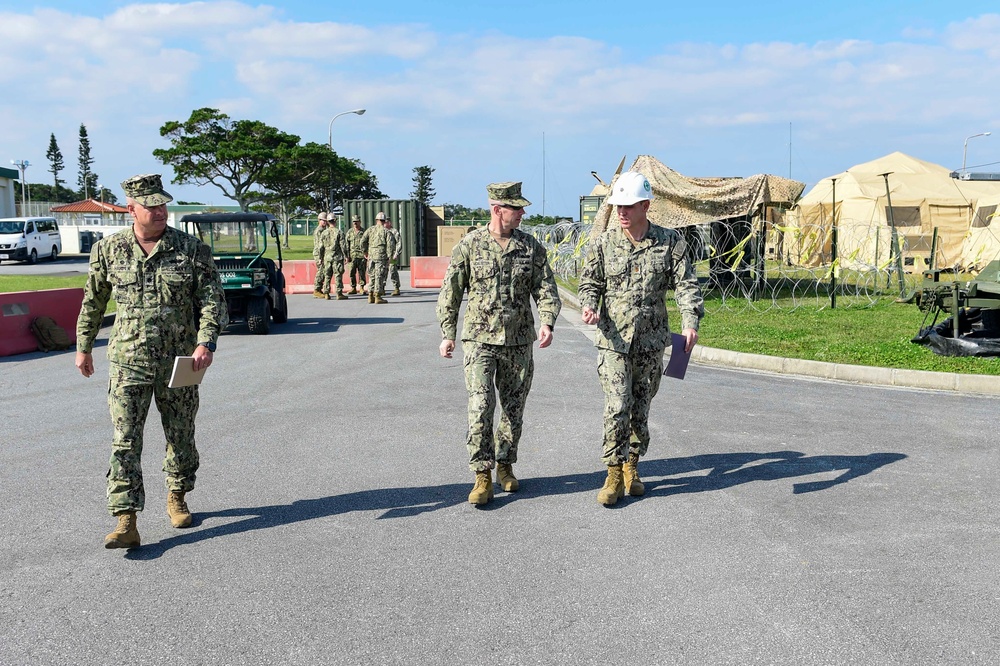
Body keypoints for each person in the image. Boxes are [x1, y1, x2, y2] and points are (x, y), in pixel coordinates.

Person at [75, 173, 228, 548]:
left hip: (181, 361)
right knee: (125, 440)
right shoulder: (108, 250)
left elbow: (213, 301)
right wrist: (83, 345)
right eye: (151, 205)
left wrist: (205, 342)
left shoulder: (191, 249)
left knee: (180, 434)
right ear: (131, 209)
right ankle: (126, 519)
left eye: (163, 204)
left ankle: (177, 495)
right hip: (129, 360)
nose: (160, 211)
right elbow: (93, 301)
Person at [578, 171, 704, 507]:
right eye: (618, 205)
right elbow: (590, 283)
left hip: (650, 343)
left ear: (646, 206)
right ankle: (613, 473)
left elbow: (686, 285)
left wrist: (689, 322)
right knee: (616, 406)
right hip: (613, 341)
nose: (621, 212)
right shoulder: (603, 244)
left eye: (629, 206)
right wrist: (590, 305)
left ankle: (633, 465)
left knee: (640, 410)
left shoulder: (669, 242)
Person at [436, 181, 561, 506]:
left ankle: (505, 465)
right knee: (480, 406)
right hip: (478, 340)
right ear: (497, 209)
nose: (522, 213)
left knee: (513, 409)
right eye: (516, 208)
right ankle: (481, 475)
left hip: (519, 340)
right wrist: (447, 332)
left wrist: (547, 321)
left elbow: (545, 288)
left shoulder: (530, 247)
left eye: (522, 208)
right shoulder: (470, 245)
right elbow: (451, 292)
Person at [362, 212, 397, 304]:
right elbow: (390, 246)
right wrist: (390, 257)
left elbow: (363, 241)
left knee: (372, 276)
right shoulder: (387, 232)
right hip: (381, 257)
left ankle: (370, 295)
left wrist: (365, 252)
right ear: (384, 221)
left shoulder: (370, 230)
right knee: (379, 276)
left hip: (371, 256)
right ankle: (377, 296)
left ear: (376, 220)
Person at [320, 213, 348, 300]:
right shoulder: (339, 232)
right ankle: (339, 293)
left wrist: (320, 258)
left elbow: (320, 247)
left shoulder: (324, 233)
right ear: (335, 221)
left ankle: (326, 293)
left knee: (327, 275)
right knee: (338, 275)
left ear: (328, 222)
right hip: (337, 257)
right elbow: (343, 245)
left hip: (327, 257)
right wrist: (346, 256)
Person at [345, 215, 367, 294]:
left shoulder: (364, 232)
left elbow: (367, 243)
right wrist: (347, 256)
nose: (355, 223)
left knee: (362, 272)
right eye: (354, 222)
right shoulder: (350, 232)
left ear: (359, 222)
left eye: (356, 222)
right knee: (351, 272)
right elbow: (346, 244)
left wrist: (366, 253)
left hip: (361, 256)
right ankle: (353, 287)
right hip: (352, 256)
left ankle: (361, 287)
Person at [312, 213, 329, 298]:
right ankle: (317, 289)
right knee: (321, 271)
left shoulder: (324, 229)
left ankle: (319, 289)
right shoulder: (319, 230)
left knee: (323, 271)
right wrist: (320, 257)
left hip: (322, 253)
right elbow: (320, 245)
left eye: (326, 221)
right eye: (323, 220)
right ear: (319, 220)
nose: (325, 222)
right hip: (319, 253)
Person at [386, 215, 402, 296]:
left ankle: (396, 288)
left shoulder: (394, 231)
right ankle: (381, 288)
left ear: (389, 222)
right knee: (382, 272)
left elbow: (399, 243)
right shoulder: (382, 231)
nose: (384, 224)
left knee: (393, 270)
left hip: (392, 255)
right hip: (384, 255)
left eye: (386, 222)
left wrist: (396, 253)